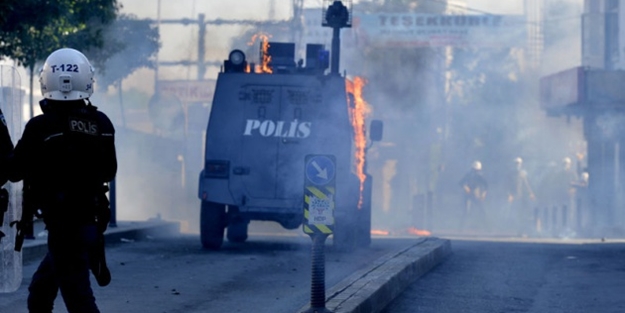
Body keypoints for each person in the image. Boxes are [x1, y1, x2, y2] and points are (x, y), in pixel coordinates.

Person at [6, 48, 117, 313]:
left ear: (46, 82)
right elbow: (109, 172)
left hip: (64, 227)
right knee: (40, 292)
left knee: (78, 299)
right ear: (86, 81)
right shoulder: (101, 123)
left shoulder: (39, 127)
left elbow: (13, 171)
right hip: (88, 223)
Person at [505, 157, 535, 236]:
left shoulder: (523, 173)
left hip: (521, 197)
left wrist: (530, 193)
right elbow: (507, 186)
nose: (517, 165)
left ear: (521, 164)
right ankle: (518, 230)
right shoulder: (510, 174)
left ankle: (522, 231)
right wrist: (509, 195)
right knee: (516, 215)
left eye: (519, 163)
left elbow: (526, 184)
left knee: (523, 214)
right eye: (516, 163)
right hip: (514, 197)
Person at [458, 160, 488, 231]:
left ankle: (488, 227)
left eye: (477, 170)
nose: (475, 172)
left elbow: (486, 186)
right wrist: (465, 187)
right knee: (466, 211)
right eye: (474, 170)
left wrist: (483, 194)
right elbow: (460, 183)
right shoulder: (468, 175)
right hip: (468, 195)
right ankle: (461, 228)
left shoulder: (480, 176)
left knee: (482, 210)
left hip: (476, 196)